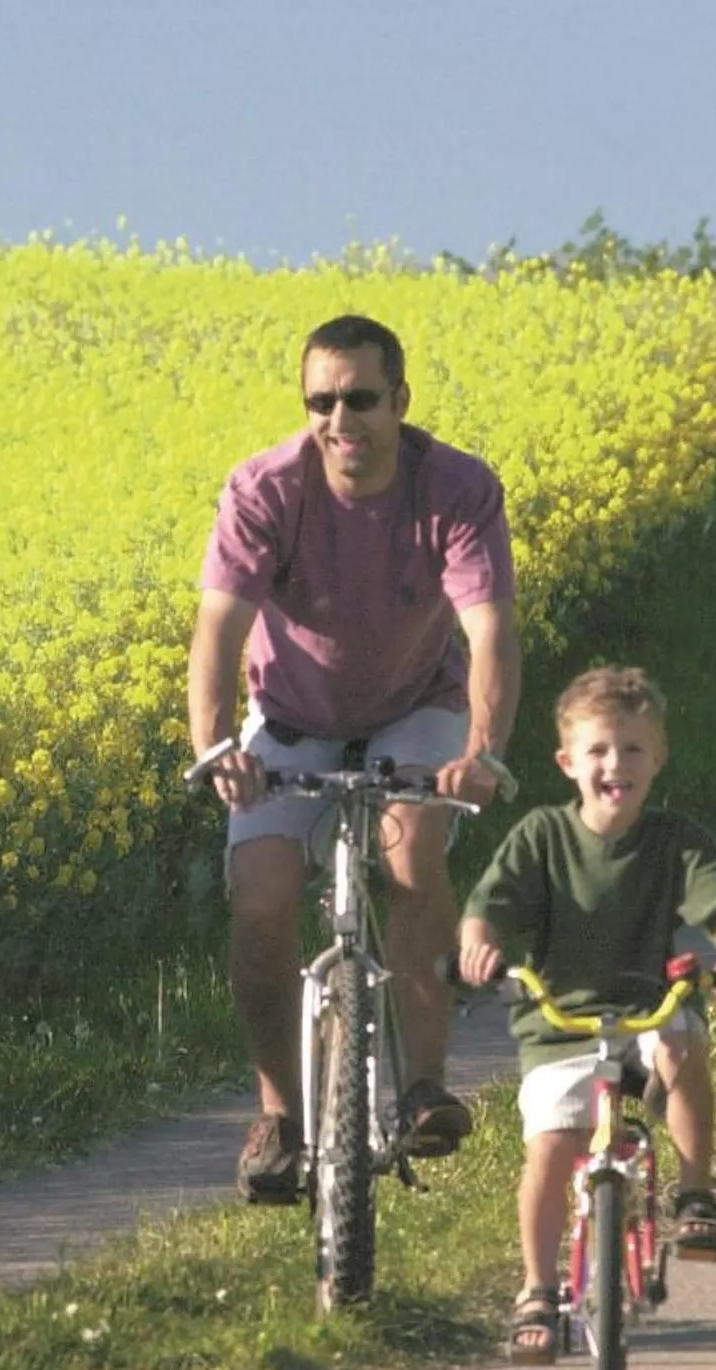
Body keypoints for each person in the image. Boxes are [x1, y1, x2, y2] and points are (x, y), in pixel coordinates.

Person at [191, 313, 521, 1202]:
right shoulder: (265, 488)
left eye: (362, 399)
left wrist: (483, 751)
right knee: (261, 900)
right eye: (322, 402)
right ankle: (279, 1116)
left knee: (412, 856)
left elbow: (491, 629)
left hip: (417, 707)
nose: (341, 421)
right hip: (291, 717)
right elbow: (218, 627)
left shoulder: (455, 487)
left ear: (400, 400)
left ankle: (423, 1086)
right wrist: (215, 744)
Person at [455, 664, 716, 1364]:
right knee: (550, 1148)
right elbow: (488, 906)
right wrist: (478, 947)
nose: (615, 764)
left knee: (682, 1045)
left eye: (633, 748)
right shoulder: (542, 836)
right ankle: (537, 1289)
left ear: (658, 758)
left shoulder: (674, 839)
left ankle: (695, 1196)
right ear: (567, 762)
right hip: (559, 1022)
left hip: (648, 1007)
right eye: (597, 749)